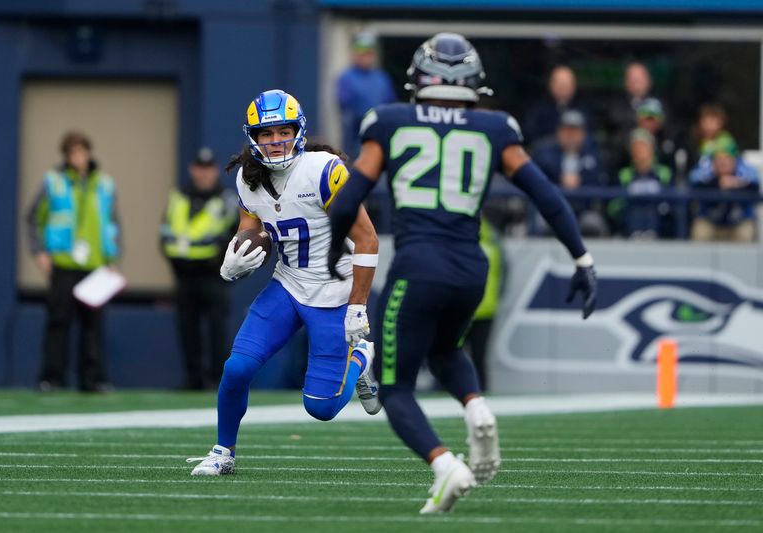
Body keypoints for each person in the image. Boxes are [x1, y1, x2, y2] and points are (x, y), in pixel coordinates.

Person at [327, 33, 597, 514]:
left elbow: (349, 198)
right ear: (474, 82)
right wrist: (582, 259)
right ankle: (476, 406)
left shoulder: (389, 121)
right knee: (446, 348)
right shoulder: (495, 128)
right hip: (471, 269)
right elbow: (547, 196)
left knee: (395, 387)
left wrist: (332, 250)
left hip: (417, 265)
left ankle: (445, 465)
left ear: (418, 79)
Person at [187, 89, 381, 476]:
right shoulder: (247, 178)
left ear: (298, 131)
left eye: (283, 131)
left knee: (321, 408)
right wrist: (235, 262)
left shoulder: (324, 171)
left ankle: (361, 359)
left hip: (333, 293)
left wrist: (357, 306)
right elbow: (252, 230)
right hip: (288, 284)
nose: (275, 141)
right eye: (266, 133)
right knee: (237, 368)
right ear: (253, 137)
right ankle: (223, 451)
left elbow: (367, 239)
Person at [26, 130, 120, 392]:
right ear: (66, 156)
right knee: (58, 321)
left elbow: (111, 223)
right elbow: (33, 217)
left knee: (93, 325)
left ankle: (91, 379)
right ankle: (51, 378)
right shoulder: (53, 182)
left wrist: (112, 258)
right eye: (72, 153)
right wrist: (39, 251)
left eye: (81, 151)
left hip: (95, 264)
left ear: (89, 153)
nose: (78, 157)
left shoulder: (104, 184)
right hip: (64, 263)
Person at [160, 147, 238, 390]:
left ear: (214, 171)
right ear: (192, 170)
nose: (203, 174)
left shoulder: (227, 201)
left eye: (208, 169)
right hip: (184, 275)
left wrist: (220, 262)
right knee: (187, 329)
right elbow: (164, 234)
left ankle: (217, 379)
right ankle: (193, 378)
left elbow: (237, 235)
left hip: (213, 276)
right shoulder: (178, 198)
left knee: (217, 330)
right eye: (199, 169)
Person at [532, 110, 608, 236]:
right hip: (552, 209)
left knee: (593, 222)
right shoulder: (545, 154)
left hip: (583, 210)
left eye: (575, 131)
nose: (571, 136)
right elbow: (537, 179)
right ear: (559, 133)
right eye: (567, 131)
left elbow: (600, 183)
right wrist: (560, 178)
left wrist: (581, 180)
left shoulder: (593, 156)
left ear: (583, 134)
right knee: (541, 222)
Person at [336, 31, 397, 160]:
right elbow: (346, 109)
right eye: (361, 52)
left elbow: (390, 107)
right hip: (354, 144)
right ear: (353, 53)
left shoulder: (382, 78)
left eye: (368, 53)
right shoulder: (346, 78)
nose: (365, 57)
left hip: (379, 140)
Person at [689, 135, 758, 242]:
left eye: (727, 158)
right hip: (711, 221)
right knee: (701, 230)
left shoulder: (744, 169)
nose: (723, 162)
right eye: (719, 158)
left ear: (735, 159)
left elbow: (755, 186)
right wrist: (718, 182)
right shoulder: (706, 169)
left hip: (738, 222)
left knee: (745, 231)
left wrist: (735, 183)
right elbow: (694, 183)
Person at [461, 220, 503, 391]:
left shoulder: (459, 245)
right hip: (486, 309)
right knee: (479, 357)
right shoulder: (493, 246)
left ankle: (449, 389)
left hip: (462, 308)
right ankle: (481, 393)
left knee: (448, 354)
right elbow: (503, 278)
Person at [608, 128, 673, 238]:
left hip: (659, 226)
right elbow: (614, 206)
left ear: (652, 148)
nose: (640, 150)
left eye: (644, 146)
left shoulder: (664, 173)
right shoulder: (624, 174)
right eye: (636, 147)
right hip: (630, 226)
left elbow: (672, 203)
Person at [523, 65, 590, 147]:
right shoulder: (538, 111)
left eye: (566, 85)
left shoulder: (583, 109)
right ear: (551, 85)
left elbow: (590, 136)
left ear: (573, 86)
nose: (563, 88)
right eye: (560, 84)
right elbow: (531, 136)